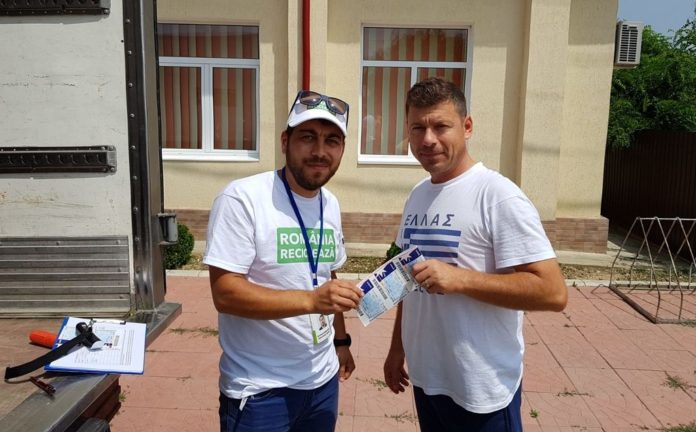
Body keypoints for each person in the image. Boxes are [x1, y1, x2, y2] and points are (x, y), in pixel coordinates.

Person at [383, 77, 568, 432]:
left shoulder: (498, 196)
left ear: (467, 127)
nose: (428, 139)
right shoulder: (418, 194)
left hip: (481, 390)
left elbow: (553, 292)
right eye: (417, 128)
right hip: (428, 379)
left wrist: (460, 279)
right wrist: (397, 349)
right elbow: (408, 279)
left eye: (441, 126)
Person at [204, 90, 364, 432]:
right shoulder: (242, 198)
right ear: (285, 141)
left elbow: (327, 276)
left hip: (323, 382)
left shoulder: (330, 203)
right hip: (260, 390)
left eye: (332, 141)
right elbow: (225, 294)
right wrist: (311, 300)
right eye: (308, 137)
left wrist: (341, 342)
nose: (320, 151)